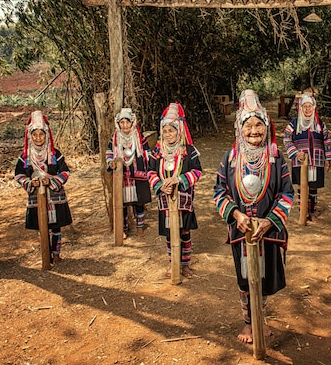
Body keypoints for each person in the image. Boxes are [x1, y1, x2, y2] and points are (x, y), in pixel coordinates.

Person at [214, 89, 293, 344]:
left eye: (259, 124)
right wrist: (236, 215)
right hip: (241, 233)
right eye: (248, 125)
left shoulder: (276, 159)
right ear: (240, 128)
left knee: (264, 277)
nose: (254, 131)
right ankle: (248, 324)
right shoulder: (230, 159)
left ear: (267, 126)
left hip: (267, 232)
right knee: (245, 277)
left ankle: (261, 319)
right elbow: (219, 192)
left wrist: (270, 221)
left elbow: (287, 194)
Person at [147, 103, 202, 279]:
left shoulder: (189, 150)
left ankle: (185, 265)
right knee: (170, 233)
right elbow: (150, 171)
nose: (168, 134)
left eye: (172, 131)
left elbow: (197, 171)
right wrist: (159, 185)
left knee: (184, 231)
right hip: (165, 199)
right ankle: (173, 264)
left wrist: (178, 179)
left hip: (184, 199)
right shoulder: (157, 151)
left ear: (179, 131)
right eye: (165, 131)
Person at [14, 110, 72, 264]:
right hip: (36, 197)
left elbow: (65, 171)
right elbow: (19, 175)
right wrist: (29, 183)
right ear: (29, 136)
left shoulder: (54, 154)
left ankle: (56, 253)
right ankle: (46, 255)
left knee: (56, 226)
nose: (38, 138)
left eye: (41, 135)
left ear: (47, 135)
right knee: (42, 226)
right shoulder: (25, 158)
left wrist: (52, 182)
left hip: (55, 197)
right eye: (35, 135)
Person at [282, 93, 331, 222]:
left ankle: (312, 212)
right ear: (300, 108)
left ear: (314, 107)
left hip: (316, 160)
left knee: (313, 186)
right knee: (300, 186)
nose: (307, 109)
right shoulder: (294, 123)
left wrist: (328, 158)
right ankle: (302, 211)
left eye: (309, 106)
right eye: (305, 106)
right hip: (300, 160)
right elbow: (286, 138)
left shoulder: (320, 124)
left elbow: (327, 141)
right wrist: (294, 152)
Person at [106, 108, 152, 238]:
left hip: (138, 175)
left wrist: (149, 168)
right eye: (122, 123)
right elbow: (109, 153)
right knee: (123, 204)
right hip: (122, 176)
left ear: (132, 123)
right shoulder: (114, 139)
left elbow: (147, 152)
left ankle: (140, 227)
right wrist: (111, 163)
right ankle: (123, 229)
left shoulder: (139, 137)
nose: (125, 126)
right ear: (118, 124)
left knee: (139, 203)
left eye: (127, 122)